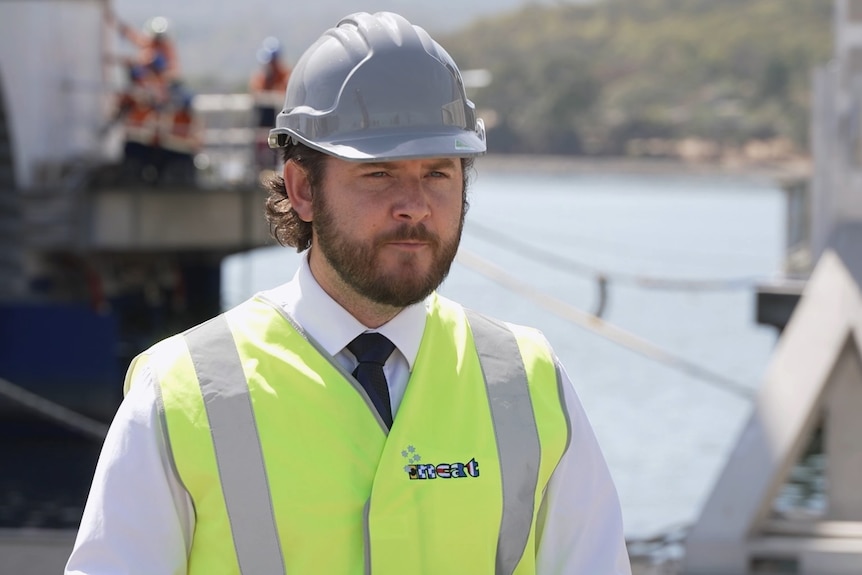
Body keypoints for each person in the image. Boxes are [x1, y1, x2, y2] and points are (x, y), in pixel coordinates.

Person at [66, 11, 632, 574]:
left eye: (438, 172)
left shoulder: (530, 384)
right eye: (379, 173)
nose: (415, 204)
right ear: (302, 189)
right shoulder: (180, 393)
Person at [249, 36, 292, 172]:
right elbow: (255, 93)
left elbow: (284, 95)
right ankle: (260, 170)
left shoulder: (286, 76)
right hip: (263, 126)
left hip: (280, 126)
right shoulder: (261, 78)